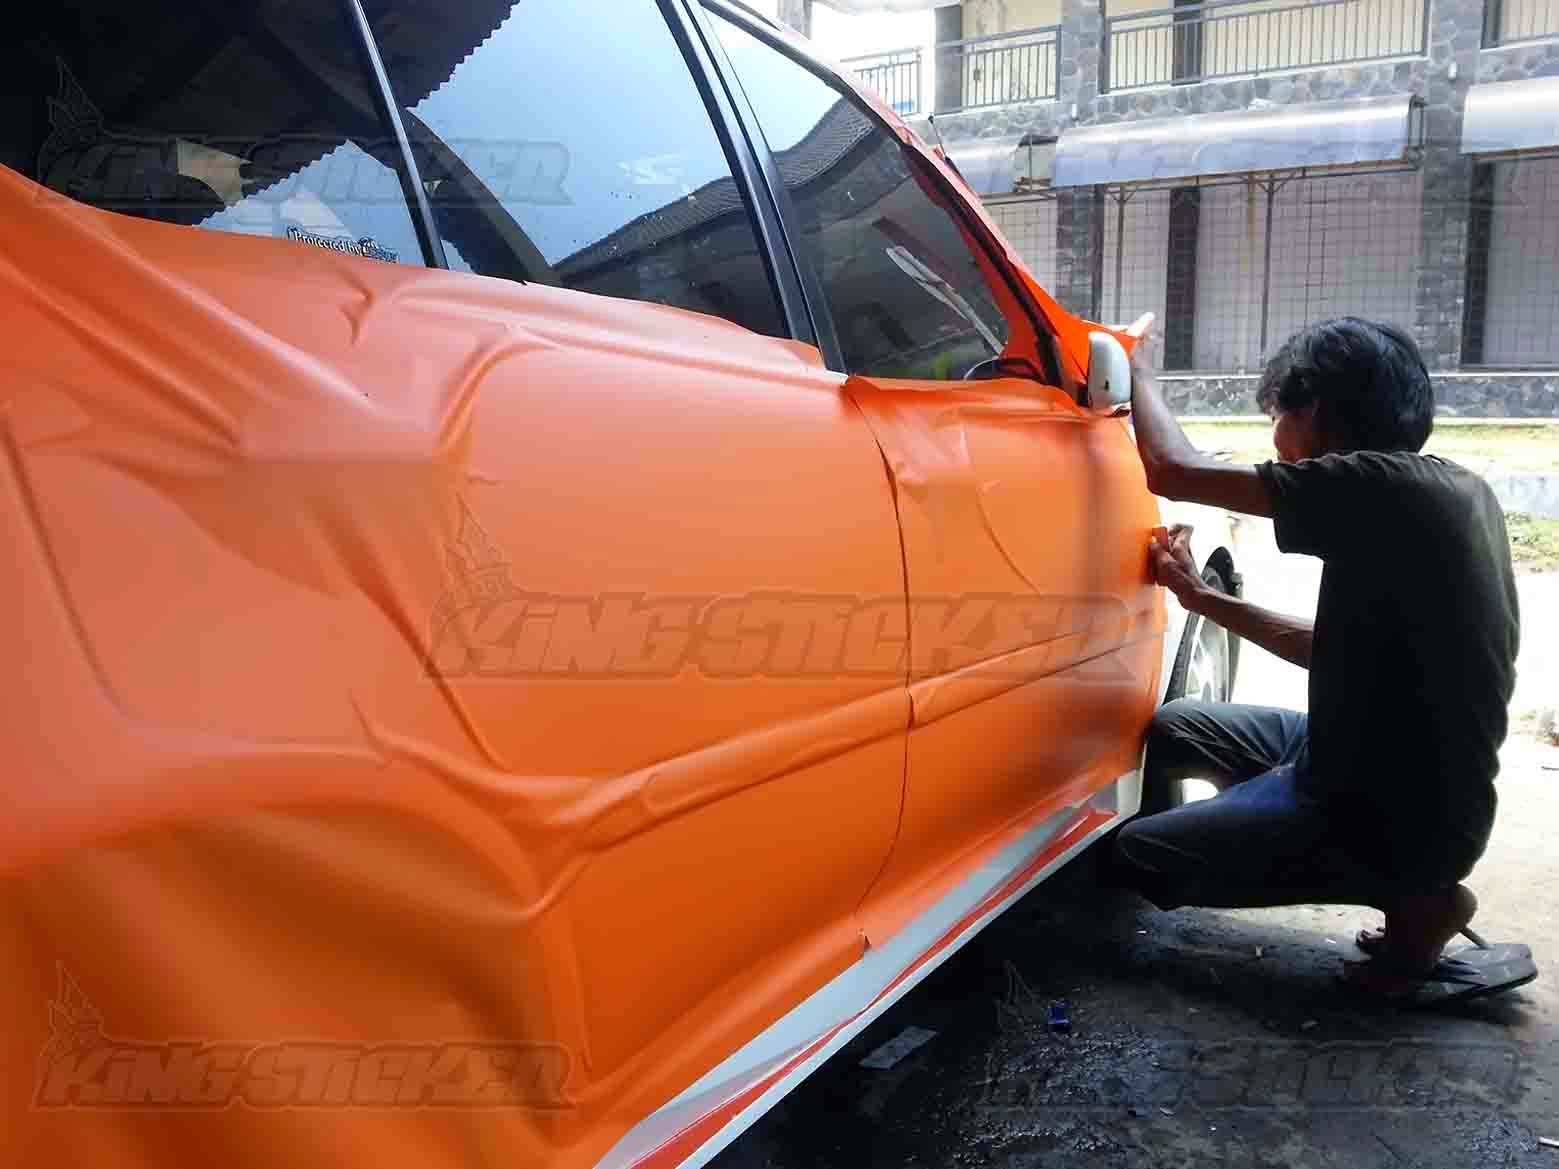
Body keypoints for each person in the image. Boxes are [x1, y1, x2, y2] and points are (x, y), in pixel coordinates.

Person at [1115, 317, 1521, 1000]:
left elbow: (1173, 469)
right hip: (1389, 771)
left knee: (1141, 855)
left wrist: (1134, 369)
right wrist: (1199, 596)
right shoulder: (1448, 488)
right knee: (1181, 724)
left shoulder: (1375, 485)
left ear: (1317, 412)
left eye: (1279, 415)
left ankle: (1417, 900)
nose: (1276, 439)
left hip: (1391, 808)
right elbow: (1324, 647)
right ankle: (1353, 854)